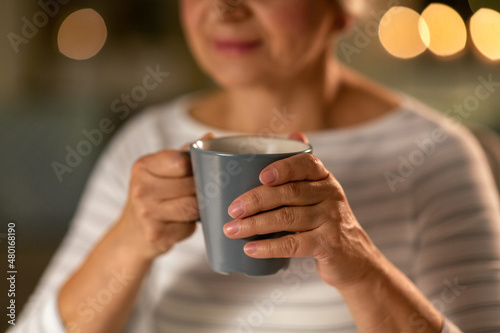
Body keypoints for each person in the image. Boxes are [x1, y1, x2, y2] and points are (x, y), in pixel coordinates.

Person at [11, 0, 500, 332]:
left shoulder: (436, 153)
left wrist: (360, 267)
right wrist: (127, 243)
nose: (226, 9)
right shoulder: (148, 142)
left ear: (341, 11)